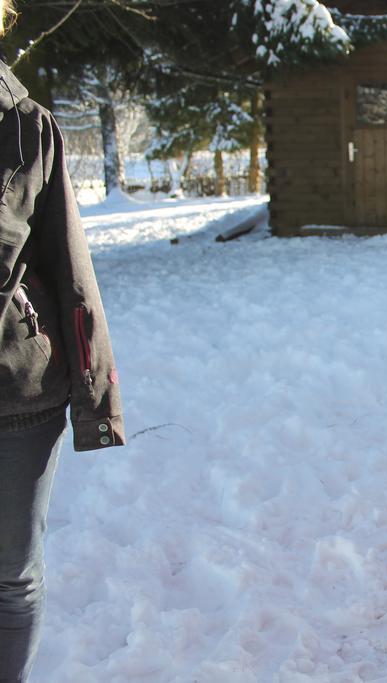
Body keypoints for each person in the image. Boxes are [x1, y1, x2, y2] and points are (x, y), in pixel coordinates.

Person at [0, 5, 126, 680]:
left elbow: (69, 265)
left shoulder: (26, 127)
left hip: (18, 393)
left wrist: (97, 396)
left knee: (10, 575)